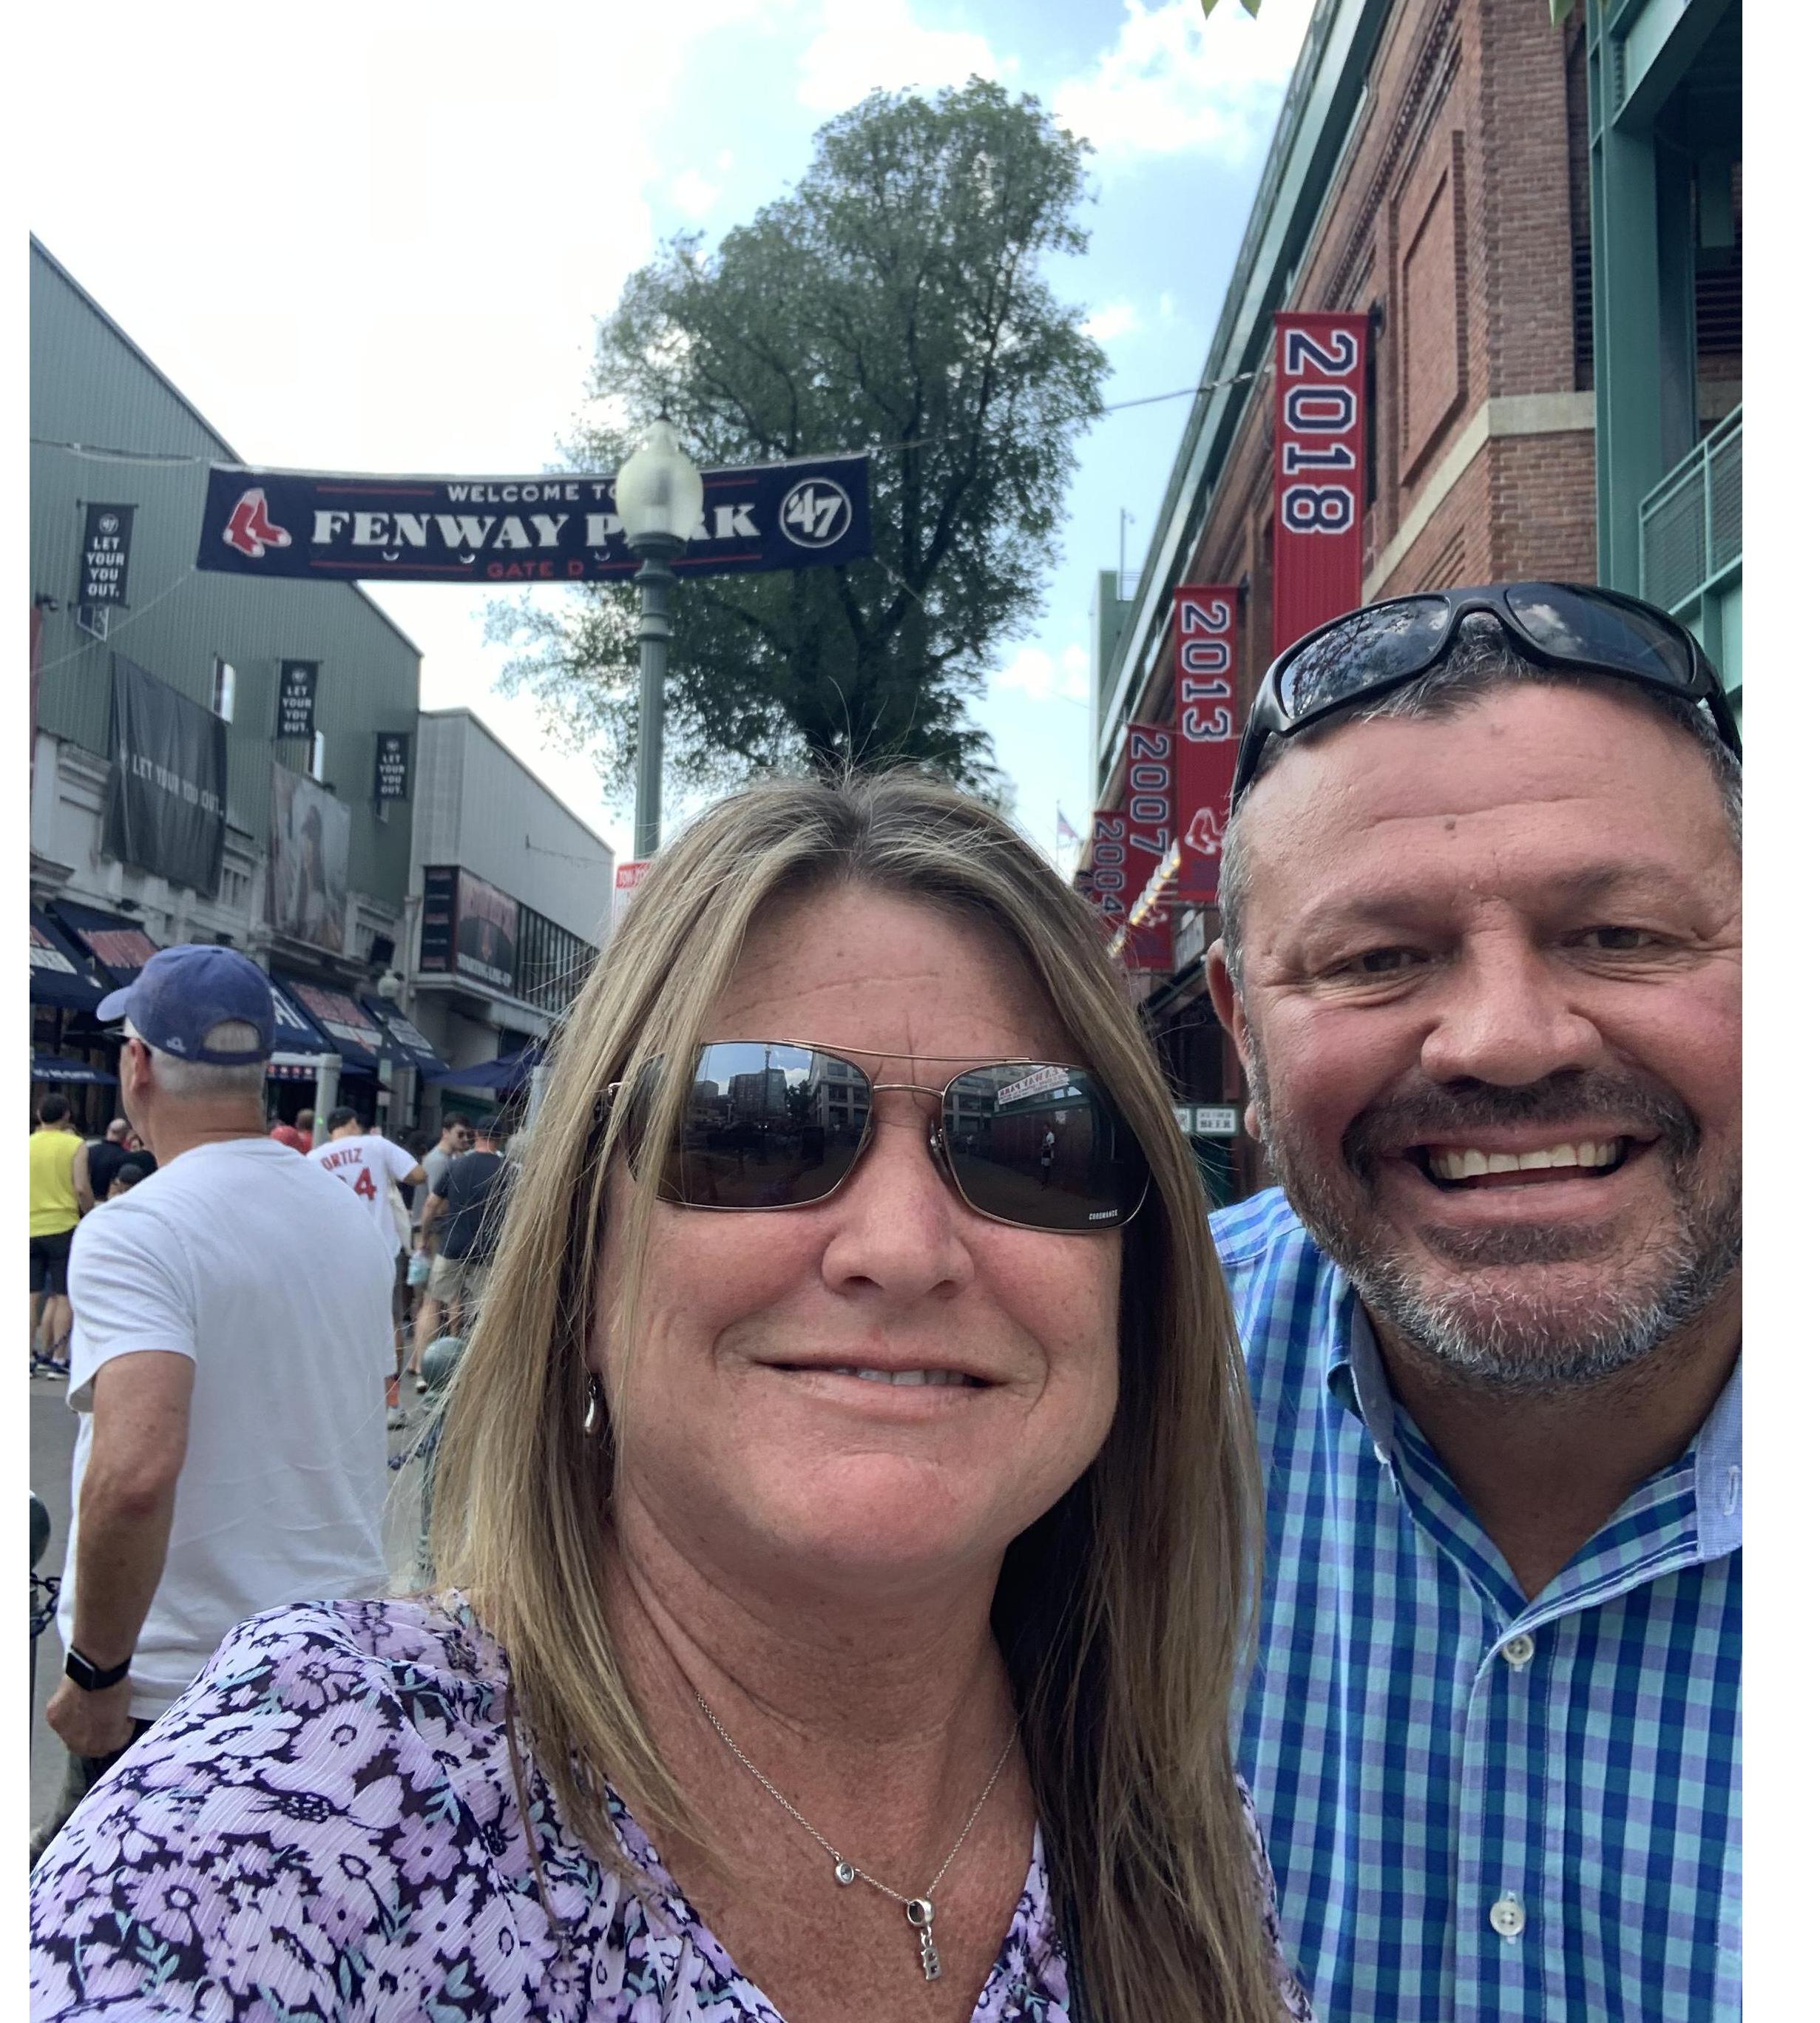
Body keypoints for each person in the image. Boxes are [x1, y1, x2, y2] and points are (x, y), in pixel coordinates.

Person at [30, 772, 1310, 2023]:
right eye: (756, 1128)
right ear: (584, 1261)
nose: (903, 1244)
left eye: (1036, 1141)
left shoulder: (1174, 1831)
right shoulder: (313, 1804)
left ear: (1134, 1282)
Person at [1204, 586, 1744, 2022]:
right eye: (1377, 960)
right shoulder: (1101, 1393)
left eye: (1622, 935)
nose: (1507, 1041)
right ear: (1240, 1030)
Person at [29, 944, 396, 1865]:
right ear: (264, 1069)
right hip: (332, 1677)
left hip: (172, 1694)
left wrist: (97, 1672)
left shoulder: (138, 1228)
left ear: (138, 1063)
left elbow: (135, 1472)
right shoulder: (347, 1221)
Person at [313, 1106, 429, 1427]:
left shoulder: (314, 1158)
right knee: (388, 1323)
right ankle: (391, 1404)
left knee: (337, 1325)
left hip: (334, 1256)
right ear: (353, 1124)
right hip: (380, 1250)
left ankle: (340, 1400)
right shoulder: (376, 1145)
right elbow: (418, 1175)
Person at [416, 1116, 510, 1346]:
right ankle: (468, 1367)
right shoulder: (508, 1169)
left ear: (476, 1135)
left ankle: (422, 1368)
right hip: (487, 1251)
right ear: (499, 1139)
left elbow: (431, 1204)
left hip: (452, 1245)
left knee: (433, 1302)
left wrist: (424, 1237)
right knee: (480, 1311)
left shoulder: (456, 1165)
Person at [405, 1114, 471, 1379]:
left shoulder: (447, 1161)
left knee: (430, 1299)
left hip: (433, 1233)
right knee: (430, 1300)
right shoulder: (437, 1161)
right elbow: (435, 1203)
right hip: (432, 1235)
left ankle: (417, 1362)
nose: (465, 1140)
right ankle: (423, 1363)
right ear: (446, 1132)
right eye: (460, 1134)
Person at [29, 1094, 83, 1374]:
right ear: (66, 1116)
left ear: (39, 1115)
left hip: (29, 1225)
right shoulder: (75, 1145)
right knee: (64, 1295)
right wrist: (85, 1212)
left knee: (30, 1294)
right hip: (62, 1224)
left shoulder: (26, 1145)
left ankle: (26, 1356)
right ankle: (59, 1359)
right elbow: (82, 1188)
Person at [78, 1116, 133, 1209]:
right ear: (125, 1135)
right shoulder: (126, 1157)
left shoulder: (89, 1150)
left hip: (85, 1202)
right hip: (108, 1203)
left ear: (108, 1130)